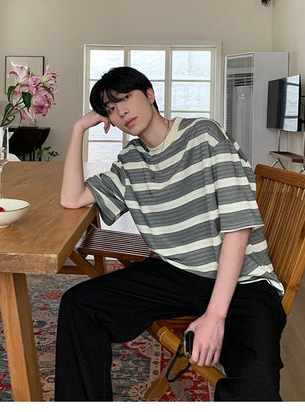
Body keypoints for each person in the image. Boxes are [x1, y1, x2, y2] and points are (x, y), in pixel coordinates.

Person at [55, 66, 286, 402]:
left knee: (256, 385)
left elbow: (238, 226)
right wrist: (78, 129)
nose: (121, 112)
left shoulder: (204, 135)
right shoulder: (130, 161)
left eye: (125, 98)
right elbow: (72, 198)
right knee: (79, 306)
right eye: (110, 109)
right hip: (176, 272)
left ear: (149, 94)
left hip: (242, 280)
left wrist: (215, 316)